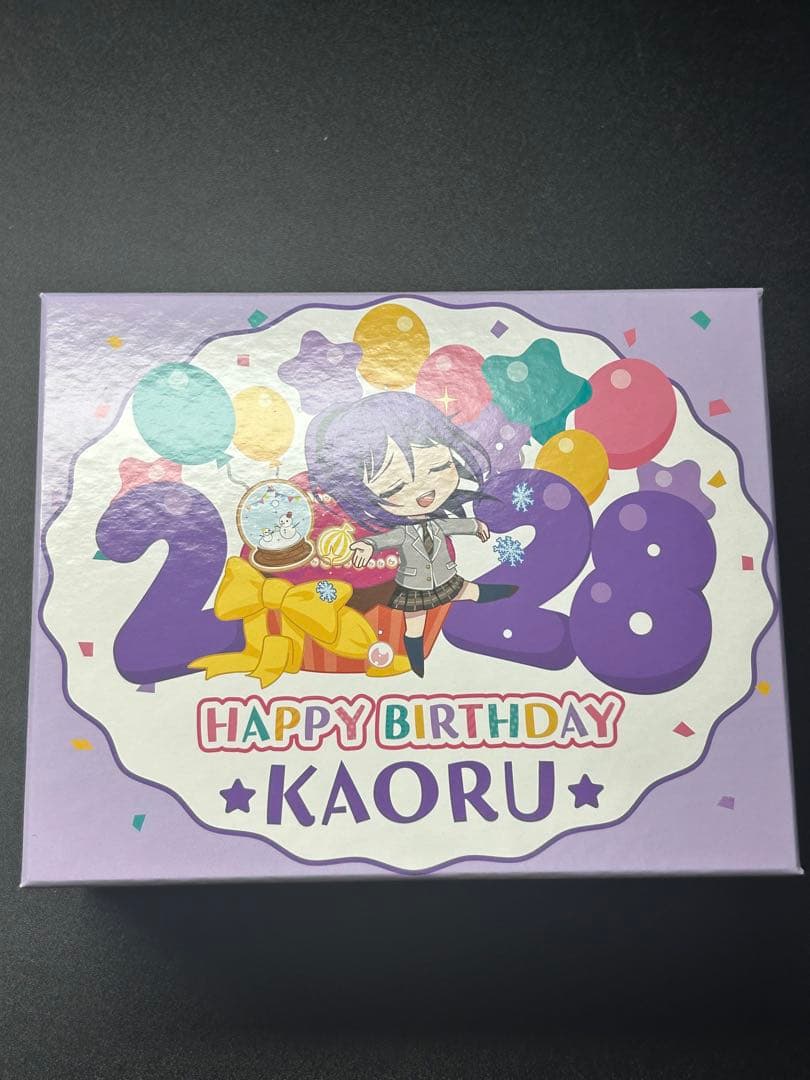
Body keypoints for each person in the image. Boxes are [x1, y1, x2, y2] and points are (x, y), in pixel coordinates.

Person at [305, 391, 516, 676]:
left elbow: (450, 526)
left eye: (439, 468)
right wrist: (368, 545)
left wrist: (474, 526)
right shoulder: (402, 531)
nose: (424, 493)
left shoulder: (436, 522)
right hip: (414, 584)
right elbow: (386, 540)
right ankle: (415, 651)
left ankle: (488, 594)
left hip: (443, 575)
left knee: (465, 590)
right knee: (415, 620)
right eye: (395, 488)